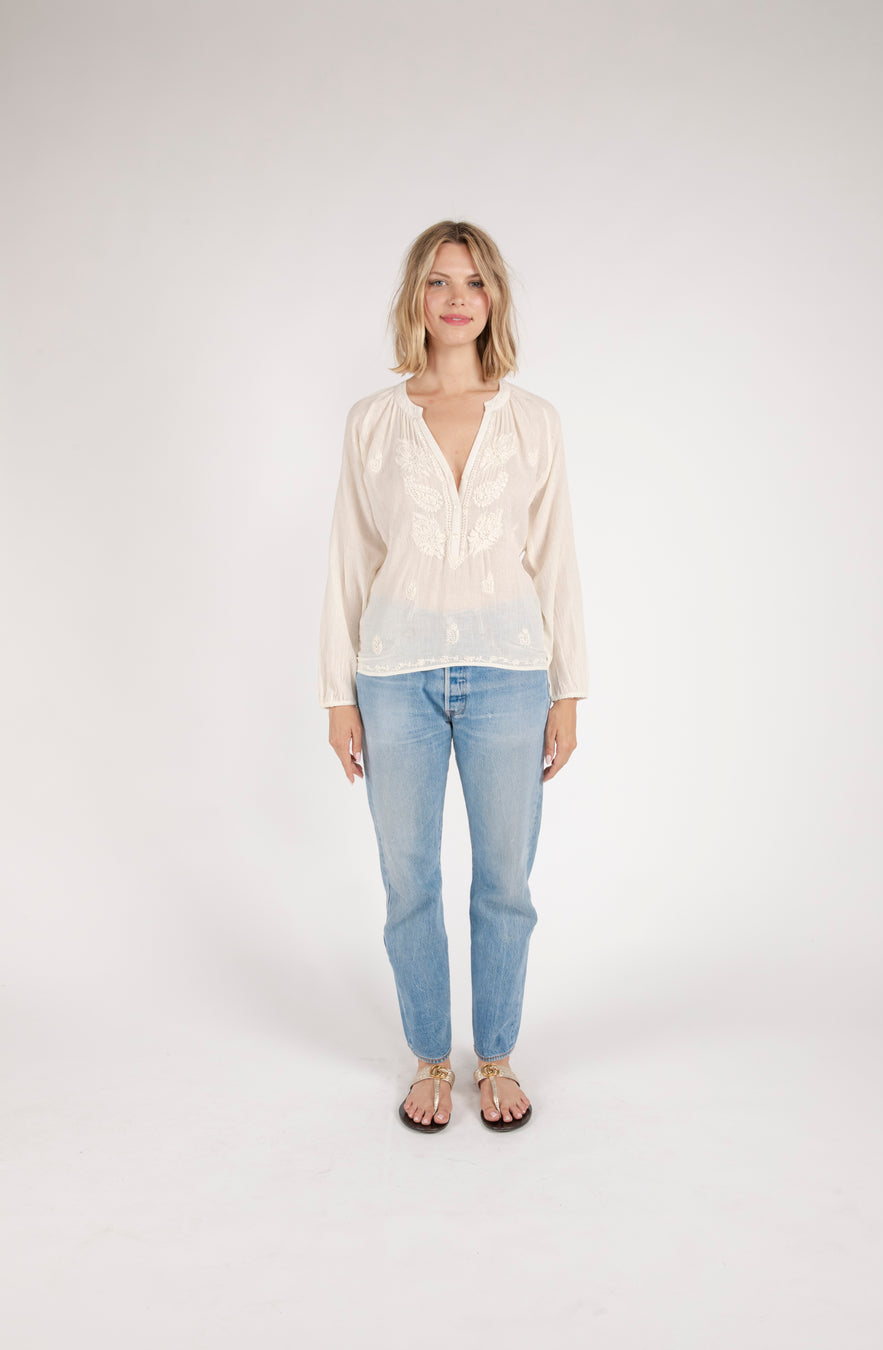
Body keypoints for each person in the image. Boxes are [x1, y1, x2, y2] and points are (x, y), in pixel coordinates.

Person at [318, 220, 588, 1132]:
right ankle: (432, 1059)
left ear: (494, 297)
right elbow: (350, 559)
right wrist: (338, 695)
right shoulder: (374, 422)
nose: (458, 298)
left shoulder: (534, 422)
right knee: (410, 882)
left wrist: (568, 689)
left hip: (511, 673)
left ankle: (497, 1056)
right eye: (439, 281)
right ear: (418, 298)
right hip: (394, 677)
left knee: (505, 881)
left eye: (474, 282)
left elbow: (556, 560)